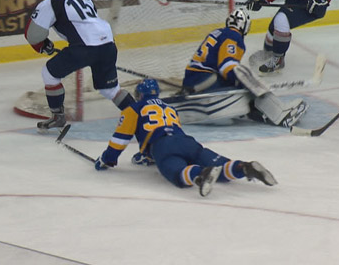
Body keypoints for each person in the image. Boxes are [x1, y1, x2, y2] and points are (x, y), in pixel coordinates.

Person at [94, 79, 278, 197]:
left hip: (163, 147)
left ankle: (200, 174)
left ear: (139, 95)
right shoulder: (170, 108)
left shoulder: (133, 109)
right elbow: (167, 130)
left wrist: (106, 159)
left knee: (177, 173)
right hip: (187, 142)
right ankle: (244, 167)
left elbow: (120, 139)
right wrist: (146, 155)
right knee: (220, 165)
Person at [24, 0, 135, 132]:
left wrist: (44, 46)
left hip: (84, 49)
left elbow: (33, 35)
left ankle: (57, 117)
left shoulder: (51, 2)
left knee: (49, 73)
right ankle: (138, 115)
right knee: (110, 89)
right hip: (108, 45)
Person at [178, 8, 307, 127]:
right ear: (245, 26)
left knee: (241, 79)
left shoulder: (217, 32)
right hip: (206, 79)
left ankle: (252, 111)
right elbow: (226, 66)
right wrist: (249, 83)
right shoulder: (233, 36)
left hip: (191, 80)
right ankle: (280, 113)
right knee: (244, 76)